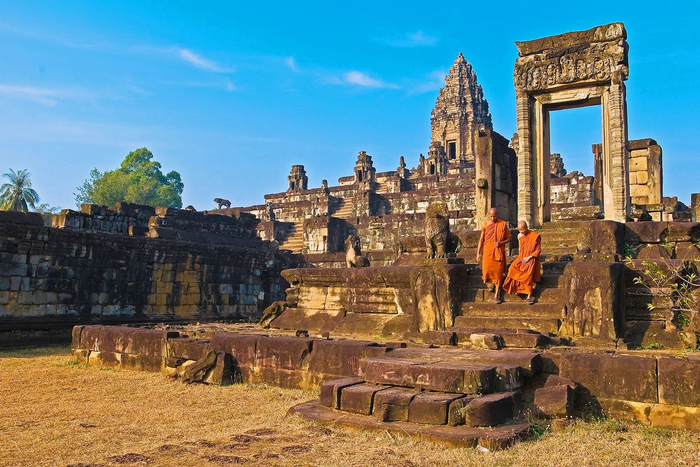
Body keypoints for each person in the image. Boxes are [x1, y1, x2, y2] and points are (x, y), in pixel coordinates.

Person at [476, 208, 512, 304]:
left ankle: (497, 294)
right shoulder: (485, 225)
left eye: (494, 216)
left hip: (499, 250)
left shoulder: (503, 224)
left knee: (499, 272)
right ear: (489, 216)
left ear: (498, 215)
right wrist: (478, 253)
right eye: (491, 216)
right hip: (488, 250)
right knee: (486, 270)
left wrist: (501, 243)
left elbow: (509, 238)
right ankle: (489, 283)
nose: (493, 218)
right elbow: (481, 239)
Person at [503, 220, 541, 305]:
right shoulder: (519, 236)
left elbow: (538, 250)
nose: (522, 232)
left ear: (527, 228)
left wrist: (528, 258)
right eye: (520, 230)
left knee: (528, 274)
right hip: (521, 257)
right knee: (512, 268)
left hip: (531, 258)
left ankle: (529, 296)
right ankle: (517, 288)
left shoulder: (535, 236)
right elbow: (521, 248)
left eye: (523, 230)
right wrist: (520, 258)